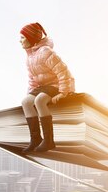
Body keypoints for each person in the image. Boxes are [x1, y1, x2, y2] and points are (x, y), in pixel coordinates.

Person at [19, 22, 75, 153]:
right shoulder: (29, 57)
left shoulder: (46, 52)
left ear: (30, 38)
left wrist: (63, 92)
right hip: (43, 86)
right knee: (26, 102)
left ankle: (49, 141)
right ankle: (35, 139)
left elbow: (63, 72)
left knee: (40, 100)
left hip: (55, 85)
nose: (19, 40)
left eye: (22, 37)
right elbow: (32, 79)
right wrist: (29, 94)